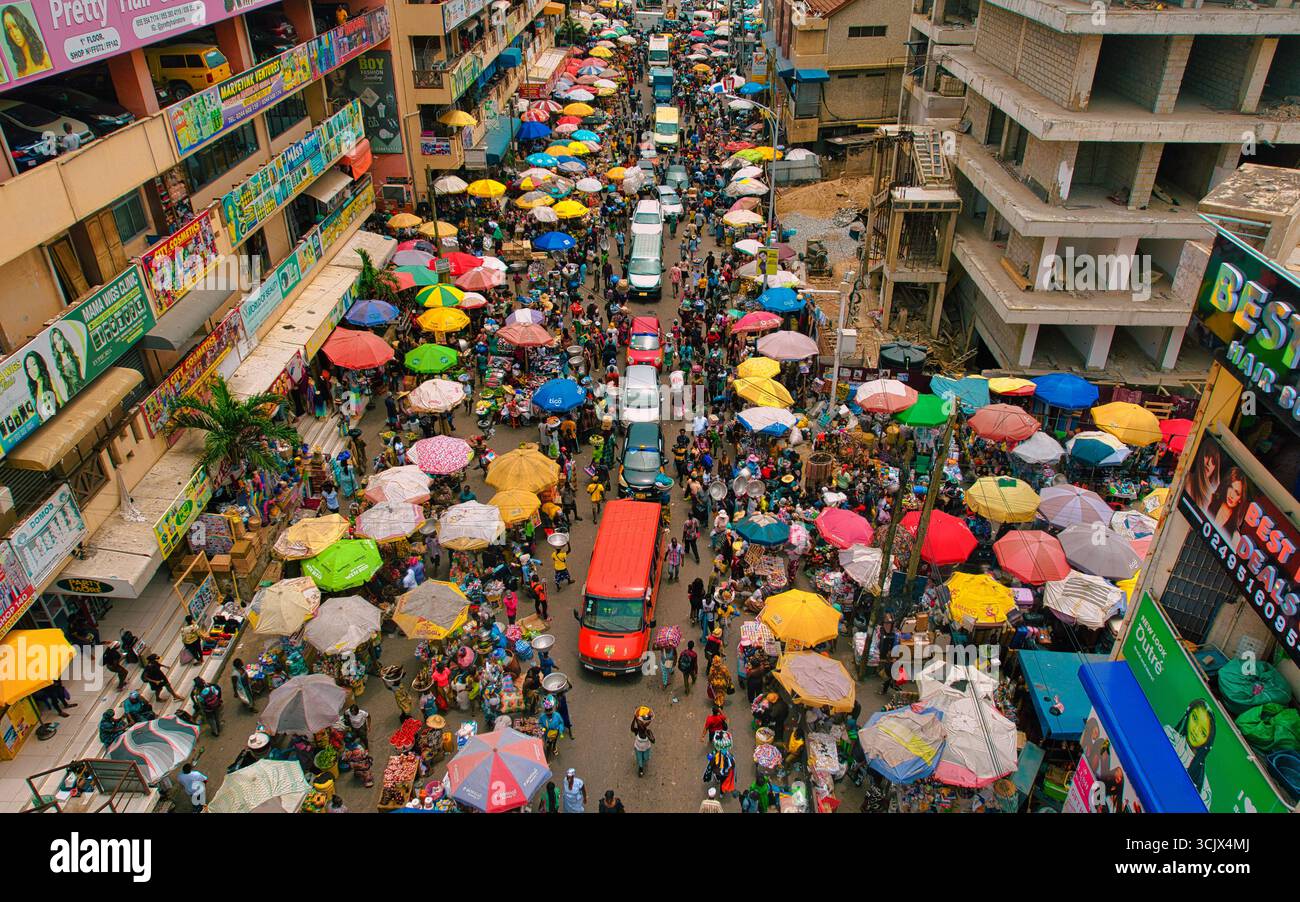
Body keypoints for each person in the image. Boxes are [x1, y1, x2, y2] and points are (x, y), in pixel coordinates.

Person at [630, 706, 655, 777]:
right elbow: (632, 728)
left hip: (646, 748)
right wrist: (634, 719)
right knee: (639, 760)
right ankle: (640, 768)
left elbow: (653, 740)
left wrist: (648, 735)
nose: (640, 725)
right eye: (639, 723)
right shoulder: (637, 731)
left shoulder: (648, 731)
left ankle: (643, 763)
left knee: (646, 758)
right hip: (638, 748)